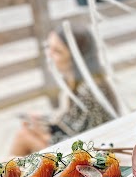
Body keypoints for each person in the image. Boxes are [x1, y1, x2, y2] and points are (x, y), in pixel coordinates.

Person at [10, 26, 119, 156]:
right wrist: (42, 122)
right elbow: (71, 123)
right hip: (79, 145)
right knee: (26, 133)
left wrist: (44, 135)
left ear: (76, 58)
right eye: (48, 47)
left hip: (92, 152)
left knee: (23, 137)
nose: (49, 55)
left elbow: (83, 140)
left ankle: (4, 168)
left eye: (57, 51)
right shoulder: (75, 82)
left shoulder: (89, 90)